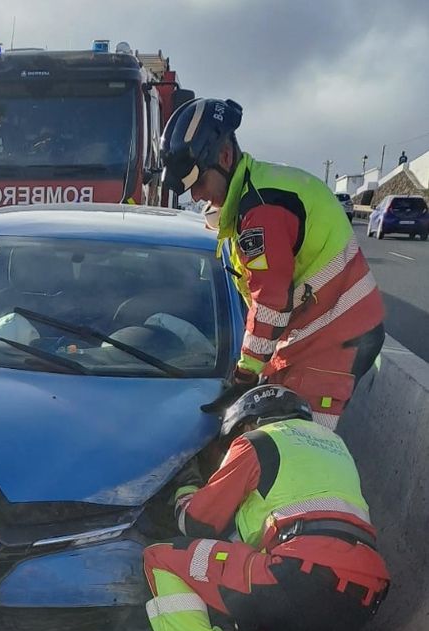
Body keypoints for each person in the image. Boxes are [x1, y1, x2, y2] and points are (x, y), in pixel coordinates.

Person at [143, 385, 389, 631]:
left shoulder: (257, 441)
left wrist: (186, 487)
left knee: (161, 557)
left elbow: (198, 523)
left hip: (300, 573)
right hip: (364, 593)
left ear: (246, 423)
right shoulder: (335, 446)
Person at [159, 98, 385, 429]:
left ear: (225, 156)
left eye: (199, 183)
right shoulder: (253, 193)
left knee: (303, 443)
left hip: (335, 338)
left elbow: (270, 302)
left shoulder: (261, 210)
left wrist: (244, 375)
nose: (195, 196)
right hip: (319, 331)